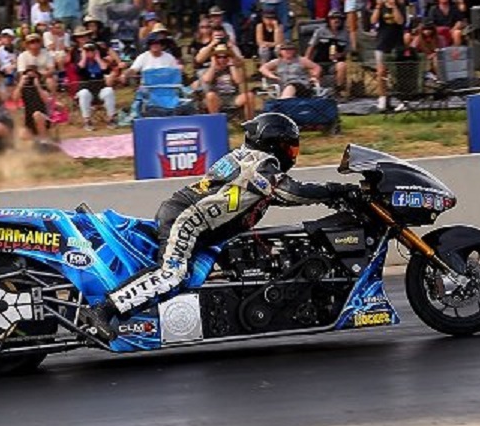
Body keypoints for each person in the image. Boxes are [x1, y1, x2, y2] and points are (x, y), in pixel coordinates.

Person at [77, 113, 359, 343]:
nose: (293, 153)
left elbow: (268, 197)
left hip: (193, 220)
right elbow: (291, 191)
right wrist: (338, 191)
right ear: (274, 144)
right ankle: (102, 311)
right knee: (171, 275)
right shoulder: (262, 162)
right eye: (291, 146)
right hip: (187, 219)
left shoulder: (248, 160)